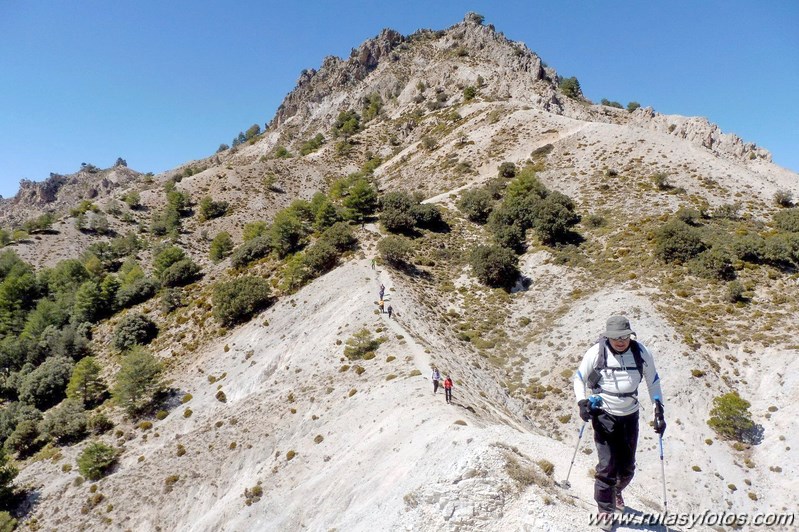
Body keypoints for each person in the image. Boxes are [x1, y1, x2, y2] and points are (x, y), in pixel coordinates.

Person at [573, 315, 665, 530]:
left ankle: (616, 491)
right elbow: (579, 377)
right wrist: (582, 402)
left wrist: (658, 409)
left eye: (624, 336)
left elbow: (653, 382)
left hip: (630, 414)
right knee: (607, 465)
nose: (620, 341)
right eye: (615, 337)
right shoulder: (596, 352)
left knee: (628, 467)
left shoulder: (641, 352)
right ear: (607, 337)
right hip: (604, 412)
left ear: (630, 335)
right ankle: (605, 510)